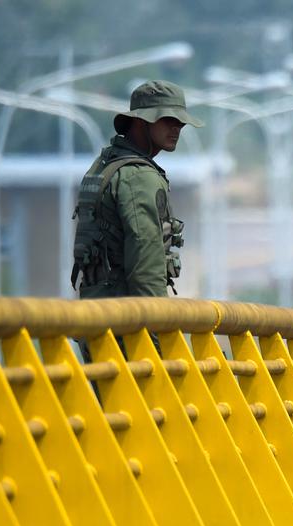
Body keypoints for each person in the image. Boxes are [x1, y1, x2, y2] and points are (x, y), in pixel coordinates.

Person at [70, 80, 203, 360]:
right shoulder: (138, 177)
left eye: (180, 121)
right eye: (167, 120)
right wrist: (158, 341)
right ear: (142, 122)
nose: (176, 128)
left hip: (97, 318)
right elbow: (146, 267)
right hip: (128, 330)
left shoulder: (104, 165)